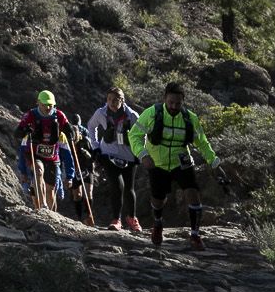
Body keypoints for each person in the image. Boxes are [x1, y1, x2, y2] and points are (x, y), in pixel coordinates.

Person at [128, 81, 220, 250]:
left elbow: (202, 143)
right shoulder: (152, 114)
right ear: (164, 99)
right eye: (170, 102)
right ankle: (158, 223)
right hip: (157, 163)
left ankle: (195, 235)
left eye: (178, 103)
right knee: (158, 200)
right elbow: (134, 136)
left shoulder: (189, 118)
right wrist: (143, 155)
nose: (174, 106)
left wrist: (214, 162)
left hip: (181, 162)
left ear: (183, 102)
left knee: (193, 193)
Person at [87, 86, 143, 233]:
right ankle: (116, 220)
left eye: (116, 100)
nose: (112, 102)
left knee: (129, 189)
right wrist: (96, 146)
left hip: (128, 155)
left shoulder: (132, 115)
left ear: (122, 101)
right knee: (117, 185)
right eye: (109, 99)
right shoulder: (101, 113)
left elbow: (143, 133)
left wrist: (138, 149)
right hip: (108, 153)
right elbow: (91, 126)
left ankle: (132, 218)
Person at [14, 91, 77, 213]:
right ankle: (42, 205)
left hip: (52, 157)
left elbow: (68, 146)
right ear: (38, 103)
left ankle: (52, 214)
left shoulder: (59, 116)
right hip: (34, 154)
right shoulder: (30, 115)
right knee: (38, 170)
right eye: (44, 105)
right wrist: (24, 130)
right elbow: (18, 134)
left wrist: (71, 134)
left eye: (50, 105)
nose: (48, 108)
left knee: (51, 189)